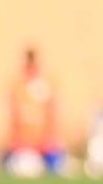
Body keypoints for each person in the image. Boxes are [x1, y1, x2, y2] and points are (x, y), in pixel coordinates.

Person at [4, 47, 66, 176]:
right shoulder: (17, 86)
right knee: (15, 165)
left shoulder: (47, 85)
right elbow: (14, 117)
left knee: (56, 165)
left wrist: (50, 140)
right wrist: (15, 143)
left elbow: (52, 114)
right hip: (23, 145)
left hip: (44, 144)